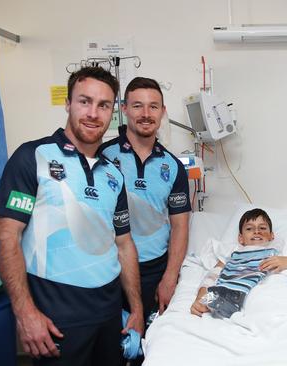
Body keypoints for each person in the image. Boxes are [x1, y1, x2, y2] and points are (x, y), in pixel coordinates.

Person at [0, 67, 144, 365]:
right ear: (68, 103)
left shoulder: (113, 174)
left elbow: (124, 244)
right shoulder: (32, 157)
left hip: (109, 315)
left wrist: (136, 308)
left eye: (103, 105)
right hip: (57, 319)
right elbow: (6, 234)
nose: (93, 113)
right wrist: (24, 313)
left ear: (113, 112)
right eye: (84, 101)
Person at [99, 77, 191, 363]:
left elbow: (180, 224)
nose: (146, 114)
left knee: (149, 351)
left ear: (163, 112)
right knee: (109, 350)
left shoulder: (172, 166)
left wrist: (170, 276)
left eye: (153, 106)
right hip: (110, 272)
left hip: (154, 272)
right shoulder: (102, 157)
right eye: (138, 105)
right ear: (124, 109)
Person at [190, 208, 287, 317]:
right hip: (227, 287)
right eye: (249, 229)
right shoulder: (234, 251)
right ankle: (219, 304)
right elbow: (213, 274)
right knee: (214, 295)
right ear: (241, 238)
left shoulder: (276, 250)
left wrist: (286, 260)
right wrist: (200, 297)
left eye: (262, 228)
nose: (257, 231)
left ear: (272, 236)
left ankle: (232, 306)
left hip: (254, 289)